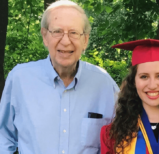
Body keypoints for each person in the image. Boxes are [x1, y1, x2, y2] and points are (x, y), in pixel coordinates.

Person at [0, 1, 119, 154]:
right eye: (57, 31)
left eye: (74, 33)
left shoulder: (104, 84)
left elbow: (124, 136)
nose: (65, 40)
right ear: (45, 36)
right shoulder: (20, 79)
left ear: (85, 40)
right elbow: (3, 137)